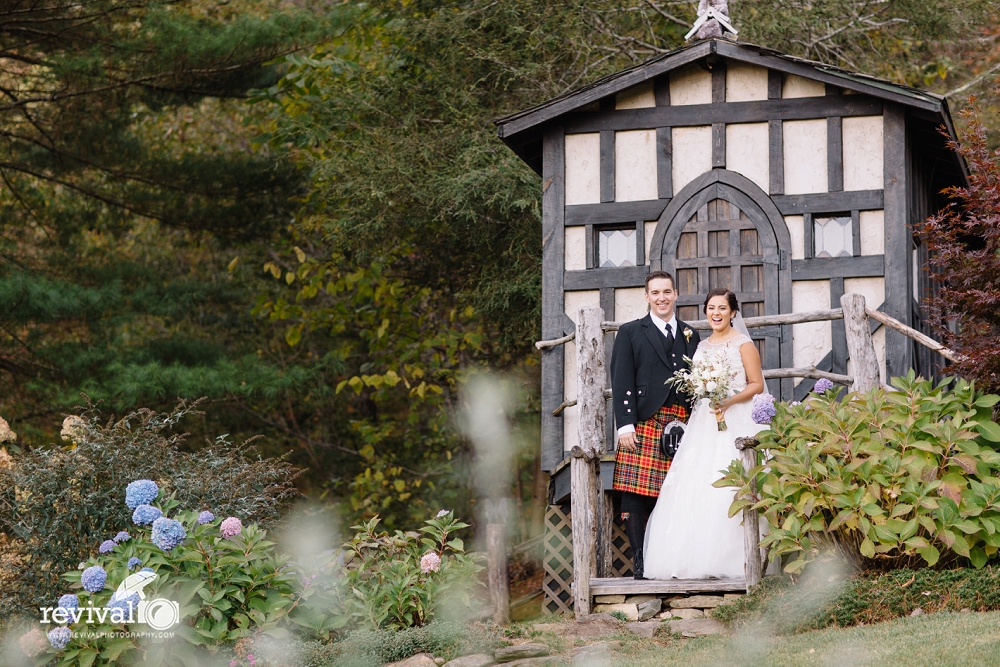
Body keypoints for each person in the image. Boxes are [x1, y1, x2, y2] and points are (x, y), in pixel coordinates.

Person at [642, 288, 768, 580]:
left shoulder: (743, 344)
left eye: (722, 308)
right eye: (711, 308)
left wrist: (728, 400)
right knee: (696, 484)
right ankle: (690, 560)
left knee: (731, 483)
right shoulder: (701, 346)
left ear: (733, 312)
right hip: (704, 422)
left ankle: (737, 560)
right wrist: (703, 389)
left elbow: (756, 384)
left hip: (736, 419)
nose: (716, 313)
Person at [610, 270, 701, 579]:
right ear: (646, 296)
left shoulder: (690, 334)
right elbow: (621, 379)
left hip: (682, 424)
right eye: (655, 292)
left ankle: (672, 559)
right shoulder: (631, 331)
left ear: (675, 294)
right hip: (644, 421)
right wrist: (625, 425)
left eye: (667, 291)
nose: (662, 297)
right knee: (634, 493)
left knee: (678, 491)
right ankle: (640, 562)